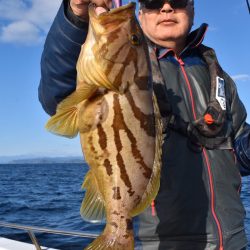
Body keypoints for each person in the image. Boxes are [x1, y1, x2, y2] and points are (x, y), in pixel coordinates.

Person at [38, 0, 250, 249]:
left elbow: (239, 152)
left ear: (192, 10)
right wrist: (76, 15)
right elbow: (57, 95)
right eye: (153, 2)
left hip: (234, 240)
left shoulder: (218, 76)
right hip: (158, 243)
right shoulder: (125, 67)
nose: (167, 8)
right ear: (141, 13)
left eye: (179, 1)